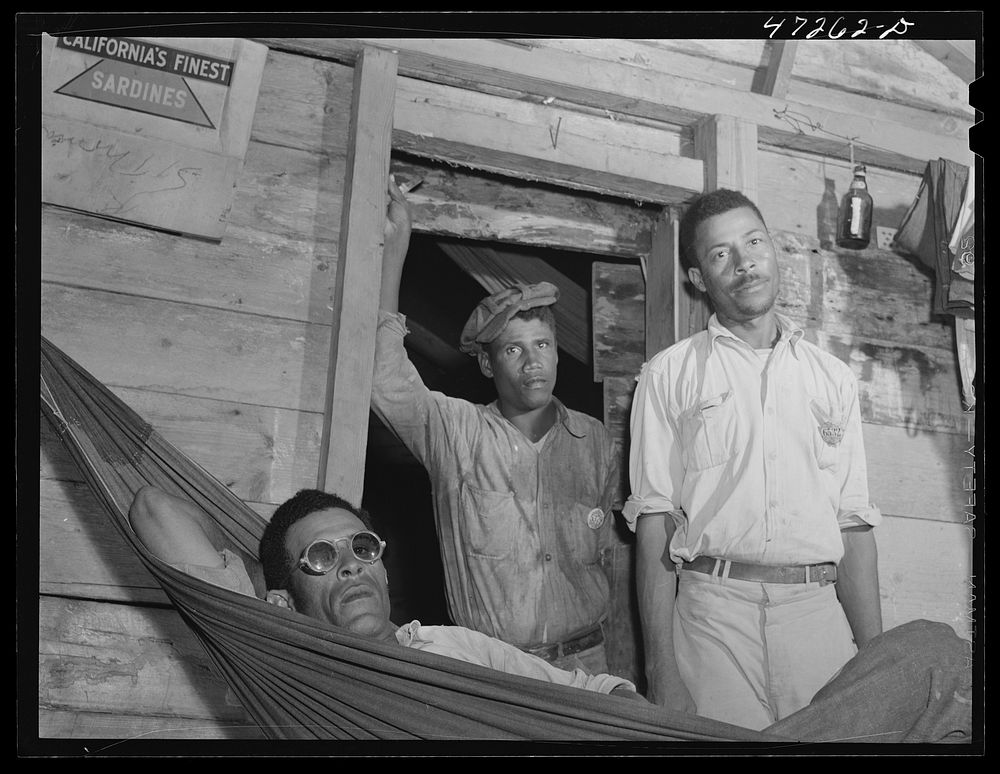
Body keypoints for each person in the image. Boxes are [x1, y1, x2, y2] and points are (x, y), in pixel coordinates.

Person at [624, 188, 884, 730]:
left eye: (753, 243)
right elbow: (653, 524)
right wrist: (661, 671)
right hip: (711, 617)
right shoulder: (668, 375)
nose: (743, 263)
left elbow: (853, 524)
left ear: (773, 250)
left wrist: (877, 657)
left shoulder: (831, 378)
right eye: (720, 254)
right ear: (699, 278)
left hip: (817, 616)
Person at [370, 176, 620, 674]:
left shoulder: (595, 440)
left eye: (543, 345)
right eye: (513, 349)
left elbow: (618, 557)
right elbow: (381, 373)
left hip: (591, 663)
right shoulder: (453, 430)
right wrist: (394, 251)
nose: (533, 362)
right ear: (488, 365)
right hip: (498, 668)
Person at [127, 485, 644, 701]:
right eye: (323, 559)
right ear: (283, 600)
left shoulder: (456, 645)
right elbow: (154, 507)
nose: (351, 565)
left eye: (362, 547)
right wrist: (264, 585)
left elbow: (591, 691)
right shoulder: (284, 661)